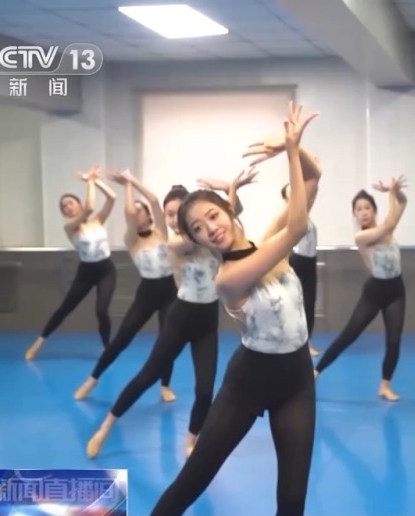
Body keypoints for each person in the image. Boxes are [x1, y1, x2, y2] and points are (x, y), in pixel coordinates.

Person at [150, 101, 320, 516]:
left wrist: (293, 147)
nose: (210, 229)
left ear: (228, 209)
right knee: (192, 481)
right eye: (198, 229)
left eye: (213, 216)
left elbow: (313, 178)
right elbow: (298, 225)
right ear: (196, 241)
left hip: (297, 379)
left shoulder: (266, 241)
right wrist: (291, 151)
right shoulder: (228, 278)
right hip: (249, 382)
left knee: (292, 500)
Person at [85, 175, 251, 459]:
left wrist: (231, 190)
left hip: (208, 321)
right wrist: (227, 203)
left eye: (178, 214)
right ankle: (106, 426)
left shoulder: (209, 238)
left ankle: (191, 439)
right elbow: (218, 223)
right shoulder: (175, 243)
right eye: (169, 214)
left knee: (205, 390)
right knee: (147, 375)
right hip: (181, 317)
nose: (173, 220)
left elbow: (231, 218)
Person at [74, 170, 178, 402]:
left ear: (149, 216)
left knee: (167, 340)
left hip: (170, 291)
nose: (135, 214)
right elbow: (129, 212)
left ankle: (165, 385)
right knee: (121, 339)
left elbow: (153, 201)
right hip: (147, 293)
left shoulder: (162, 232)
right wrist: (127, 188)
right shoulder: (132, 239)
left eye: (141, 211)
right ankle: (92, 379)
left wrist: (133, 181)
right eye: (134, 212)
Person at [312, 177, 410, 401]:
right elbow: (389, 224)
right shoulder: (362, 237)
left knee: (394, 340)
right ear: (355, 215)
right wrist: (391, 193)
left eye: (367, 208)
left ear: (374, 211)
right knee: (349, 336)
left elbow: (403, 203)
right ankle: (316, 371)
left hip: (396, 290)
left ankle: (385, 386)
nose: (364, 212)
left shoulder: (387, 230)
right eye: (359, 209)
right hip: (375, 292)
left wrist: (396, 191)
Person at [26, 167, 117, 360]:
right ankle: (38, 343)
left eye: (70, 203)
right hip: (86, 271)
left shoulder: (98, 221)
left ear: (79, 203)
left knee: (101, 311)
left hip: (106, 270)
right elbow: (90, 208)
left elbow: (112, 197)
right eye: (64, 207)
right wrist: (89, 181)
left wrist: (96, 181)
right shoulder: (70, 227)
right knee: (66, 307)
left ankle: (107, 347)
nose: (68, 207)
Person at [281, 183, 321, 357]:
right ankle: (292, 342)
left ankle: (307, 342)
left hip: (311, 262)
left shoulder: (306, 214)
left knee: (309, 303)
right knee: (296, 303)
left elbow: (313, 192)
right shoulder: (291, 217)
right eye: (290, 193)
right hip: (297, 261)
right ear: (286, 199)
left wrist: (310, 181)